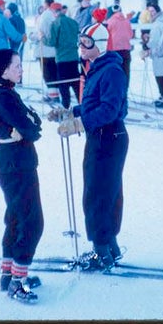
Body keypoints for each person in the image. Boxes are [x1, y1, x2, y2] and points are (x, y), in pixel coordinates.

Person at [49, 21, 128, 271]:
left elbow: (109, 109)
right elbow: (95, 104)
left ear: (100, 45)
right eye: (80, 42)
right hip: (103, 136)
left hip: (108, 137)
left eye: (86, 43)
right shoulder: (97, 67)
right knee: (105, 192)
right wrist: (70, 111)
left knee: (97, 194)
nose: (81, 48)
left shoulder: (111, 71)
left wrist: (79, 124)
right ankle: (109, 246)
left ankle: (101, 251)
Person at [0, 49, 44, 303]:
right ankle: (18, 281)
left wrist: (27, 125)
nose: (21, 69)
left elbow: (33, 122)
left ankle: (9, 274)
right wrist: (25, 127)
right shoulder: (3, 97)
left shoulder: (5, 93)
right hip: (16, 163)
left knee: (16, 217)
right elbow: (31, 128)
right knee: (31, 221)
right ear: (4, 70)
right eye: (16, 65)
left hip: (15, 161)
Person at [44, 2, 81, 108]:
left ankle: (66, 108)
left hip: (62, 59)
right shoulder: (73, 22)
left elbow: (51, 42)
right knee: (76, 83)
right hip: (74, 57)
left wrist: (42, 38)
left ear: (53, 12)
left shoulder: (55, 23)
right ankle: (82, 105)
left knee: (64, 85)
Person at [105, 3, 134, 88]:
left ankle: (116, 94)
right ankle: (124, 94)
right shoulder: (126, 21)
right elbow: (131, 34)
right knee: (126, 73)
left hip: (114, 51)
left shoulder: (110, 22)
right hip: (126, 50)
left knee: (115, 74)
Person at [37, 0, 60, 103]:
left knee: (48, 73)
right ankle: (55, 93)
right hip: (55, 50)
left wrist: (35, 36)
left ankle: (53, 96)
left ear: (46, 4)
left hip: (45, 49)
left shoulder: (45, 15)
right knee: (54, 72)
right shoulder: (55, 15)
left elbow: (40, 31)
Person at [146, 3, 163, 107]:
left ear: (157, 11)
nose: (151, 14)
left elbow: (155, 41)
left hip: (159, 53)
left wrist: (147, 43)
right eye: (149, 11)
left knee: (160, 76)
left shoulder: (157, 24)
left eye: (153, 11)